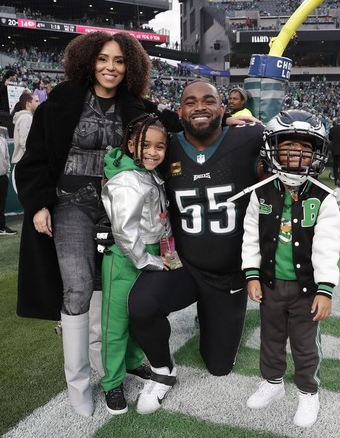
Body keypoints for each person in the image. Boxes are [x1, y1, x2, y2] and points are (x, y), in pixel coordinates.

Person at [15, 31, 168, 418]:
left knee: (122, 290)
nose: (110, 68)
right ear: (88, 61)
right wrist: (37, 205)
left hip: (121, 210)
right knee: (79, 288)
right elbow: (32, 161)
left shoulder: (141, 108)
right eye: (102, 59)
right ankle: (79, 381)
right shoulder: (59, 104)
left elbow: (173, 137)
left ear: (129, 65)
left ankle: (121, 364)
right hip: (70, 205)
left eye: (118, 61)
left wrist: (233, 119)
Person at [126, 80, 265, 415]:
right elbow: (126, 148)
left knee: (219, 366)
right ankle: (162, 370)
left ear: (223, 108)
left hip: (230, 275)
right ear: (180, 111)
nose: (199, 107)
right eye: (191, 102)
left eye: (209, 101)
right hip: (184, 265)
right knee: (141, 304)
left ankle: (211, 312)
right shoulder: (166, 146)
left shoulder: (249, 137)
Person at [241, 109, 340, 429]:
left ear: (316, 153)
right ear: (273, 149)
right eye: (287, 147)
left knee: (305, 342)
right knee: (270, 337)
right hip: (270, 284)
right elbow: (251, 239)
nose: (295, 155)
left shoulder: (324, 198)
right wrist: (252, 274)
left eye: (304, 148)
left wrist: (325, 289)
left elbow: (327, 248)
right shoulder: (260, 193)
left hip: (306, 288)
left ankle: (308, 392)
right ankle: (272, 383)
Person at [99, 113, 172, 415]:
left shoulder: (149, 174)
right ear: (131, 145)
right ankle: (112, 383)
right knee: (116, 324)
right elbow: (126, 234)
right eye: (146, 145)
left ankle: (131, 363)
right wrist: (151, 260)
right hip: (126, 258)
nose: (154, 152)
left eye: (160, 146)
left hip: (150, 252)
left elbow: (160, 219)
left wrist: (165, 252)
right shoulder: (128, 179)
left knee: (138, 317)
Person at [10, 92, 39, 166]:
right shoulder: (26, 117)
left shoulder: (27, 117)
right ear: (28, 103)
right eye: (36, 101)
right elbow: (25, 142)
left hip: (24, 162)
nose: (38, 103)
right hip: (25, 162)